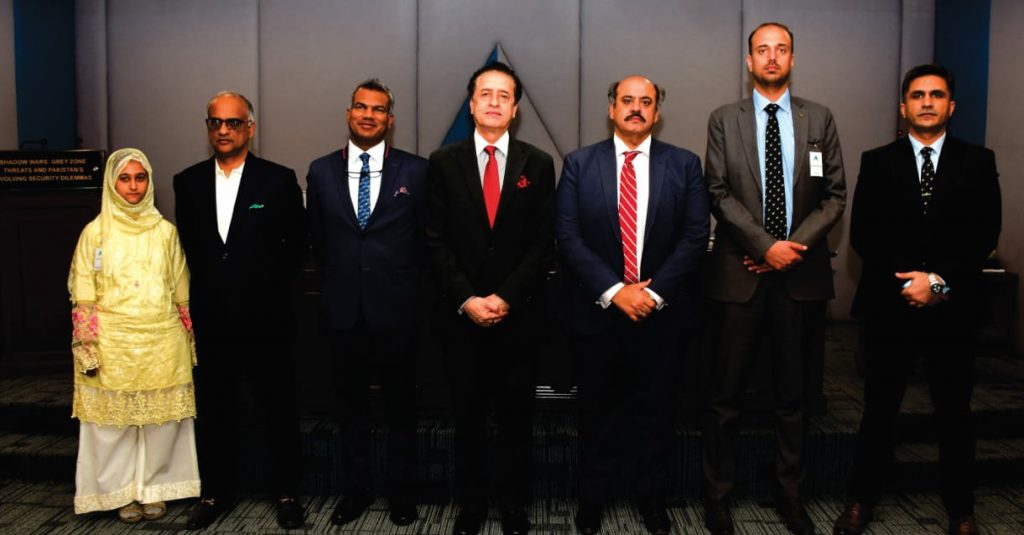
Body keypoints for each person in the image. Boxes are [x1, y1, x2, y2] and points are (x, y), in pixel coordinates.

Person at [832, 65, 1001, 535]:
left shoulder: (978, 161)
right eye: (918, 95)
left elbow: (984, 234)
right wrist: (911, 284)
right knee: (879, 410)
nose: (927, 102)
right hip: (891, 306)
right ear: (903, 107)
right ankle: (861, 502)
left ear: (951, 106)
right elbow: (865, 234)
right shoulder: (877, 161)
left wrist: (938, 283)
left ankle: (961, 511)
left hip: (953, 309)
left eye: (937, 95)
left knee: (955, 413)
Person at [702, 21, 846, 535]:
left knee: (794, 396)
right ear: (749, 61)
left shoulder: (819, 118)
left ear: (792, 58)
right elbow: (717, 191)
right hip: (740, 273)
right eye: (762, 49)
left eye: (780, 49)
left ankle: (790, 494)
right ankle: (718, 496)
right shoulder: (725, 119)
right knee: (725, 395)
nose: (771, 57)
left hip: (800, 277)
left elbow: (835, 196)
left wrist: (789, 250)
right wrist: (765, 246)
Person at [556, 75, 710, 535]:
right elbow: (568, 236)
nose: (636, 108)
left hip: (660, 316)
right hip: (598, 314)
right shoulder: (579, 164)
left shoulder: (684, 164)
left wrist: (653, 294)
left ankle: (652, 500)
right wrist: (615, 291)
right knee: (595, 415)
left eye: (646, 101)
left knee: (656, 415)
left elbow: (695, 236)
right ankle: (592, 500)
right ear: (612, 109)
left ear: (657, 113)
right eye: (627, 100)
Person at [425, 61, 556, 535]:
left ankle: (514, 506)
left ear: (515, 108)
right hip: (462, 318)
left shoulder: (538, 163)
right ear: (472, 104)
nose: (495, 102)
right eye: (486, 94)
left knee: (517, 420)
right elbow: (434, 239)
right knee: (469, 419)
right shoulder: (443, 162)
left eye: (505, 95)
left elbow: (543, 242)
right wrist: (468, 299)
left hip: (518, 317)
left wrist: (505, 297)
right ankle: (472, 506)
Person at [173, 91, 307, 530]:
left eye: (233, 122)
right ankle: (214, 493)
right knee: (215, 409)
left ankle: (287, 494)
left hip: (268, 319)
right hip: (212, 320)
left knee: (277, 408)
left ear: (250, 127)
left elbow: (296, 247)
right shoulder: (187, 182)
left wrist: (269, 292)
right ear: (208, 127)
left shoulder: (278, 180)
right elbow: (192, 251)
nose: (224, 130)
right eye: (216, 122)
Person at [305, 79, 427, 527]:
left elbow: (424, 240)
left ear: (390, 120)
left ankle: (401, 494)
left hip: (397, 310)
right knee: (350, 409)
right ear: (348, 113)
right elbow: (318, 239)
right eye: (361, 107)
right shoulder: (320, 171)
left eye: (378, 109)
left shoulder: (416, 171)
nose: (368, 115)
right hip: (342, 310)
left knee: (401, 409)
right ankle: (355, 492)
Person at [68, 148, 200, 523]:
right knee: (112, 425)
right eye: (124, 179)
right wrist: (86, 343)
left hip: (161, 338)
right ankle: (119, 493)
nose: (133, 186)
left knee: (163, 423)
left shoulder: (165, 232)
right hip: (112, 341)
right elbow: (83, 292)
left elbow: (181, 287)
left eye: (140, 178)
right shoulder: (95, 232)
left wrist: (188, 335)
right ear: (112, 183)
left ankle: (155, 490)